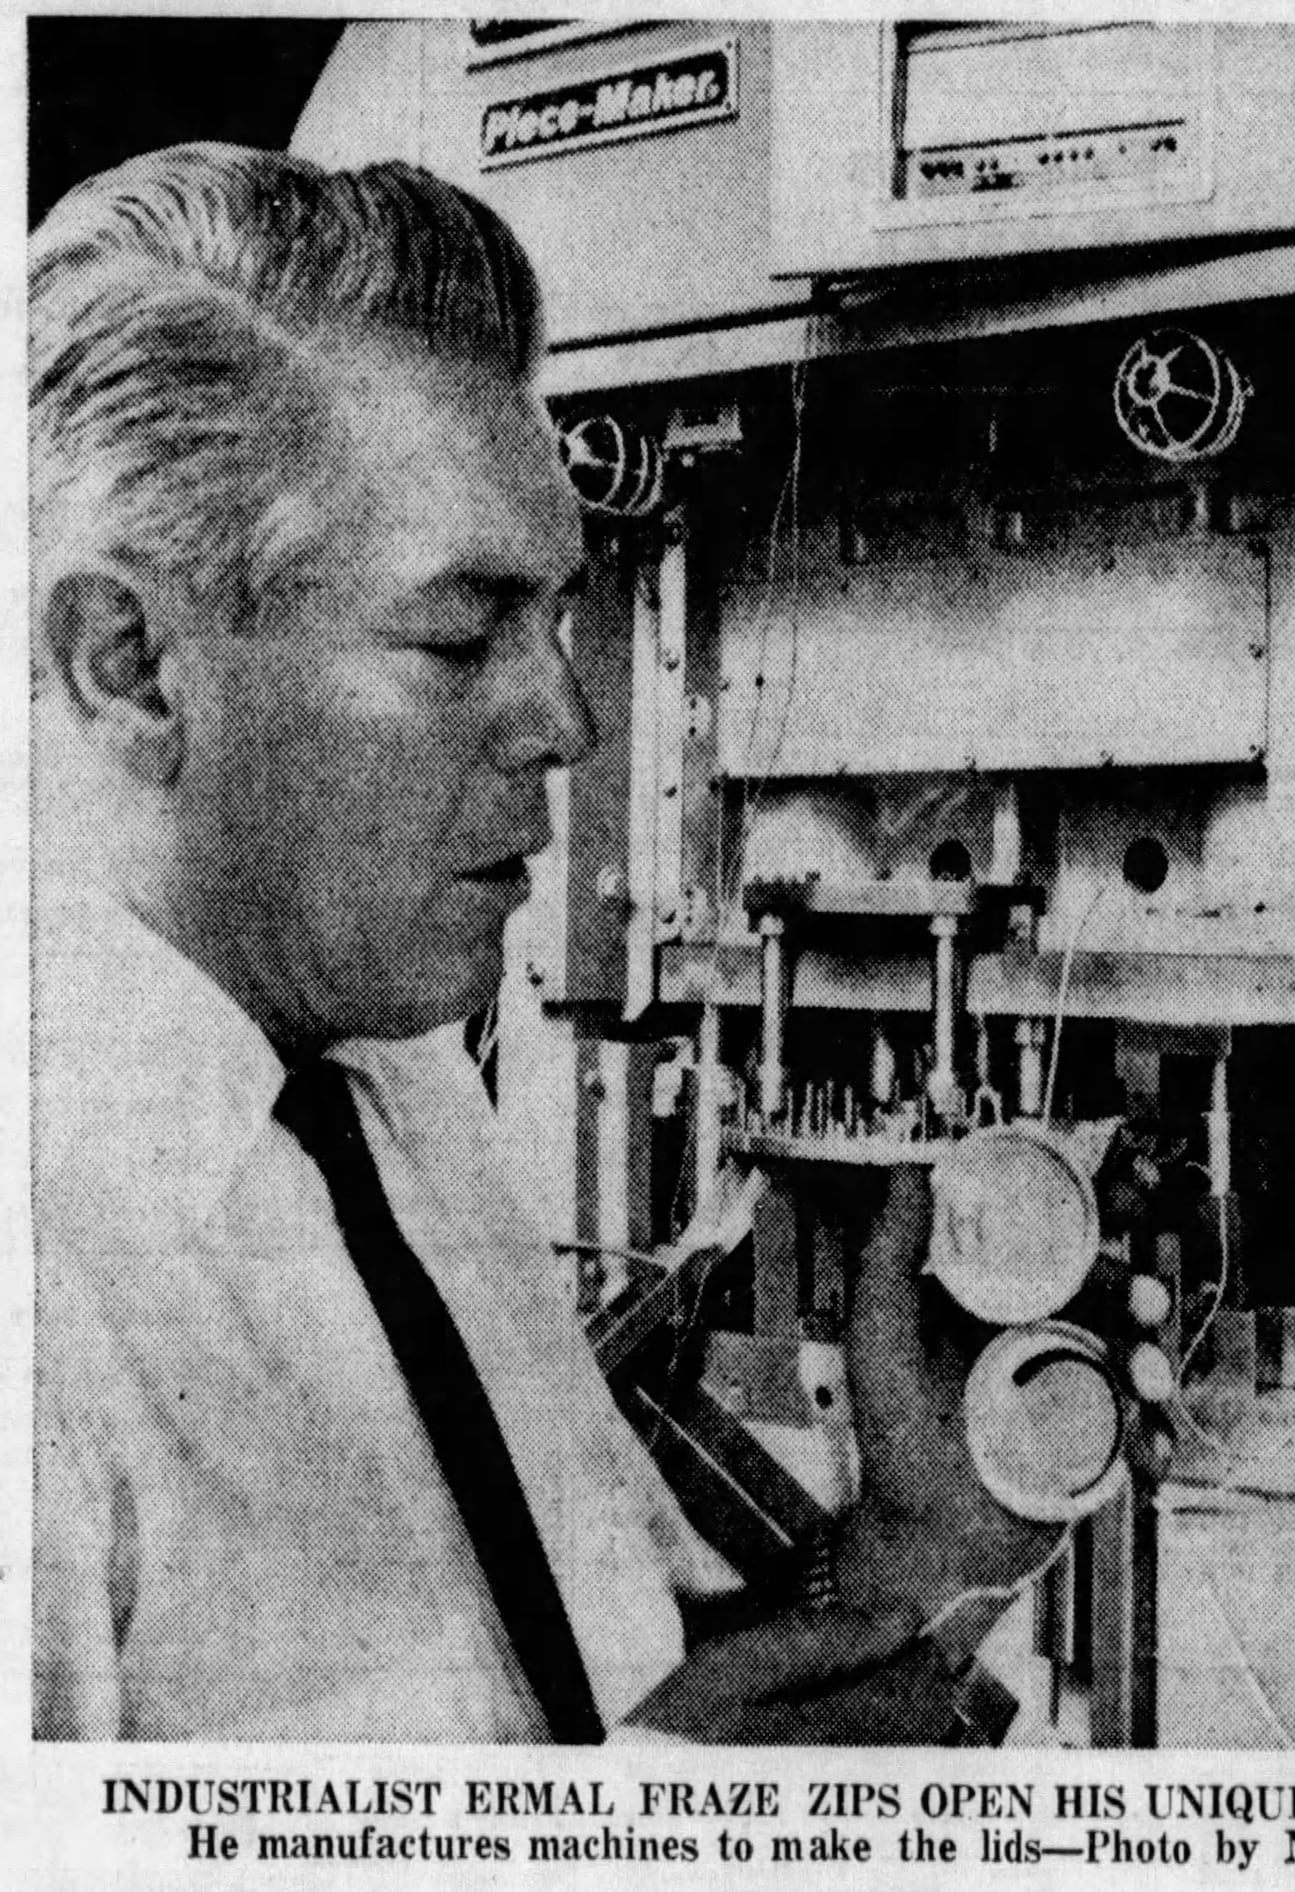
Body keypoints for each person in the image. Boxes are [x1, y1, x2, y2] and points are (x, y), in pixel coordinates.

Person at [31, 144, 1167, 1742]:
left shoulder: (394, 1082)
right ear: (130, 665)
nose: (563, 717)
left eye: (559, 621)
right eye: (457, 634)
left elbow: (611, 1708)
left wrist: (925, 1545)